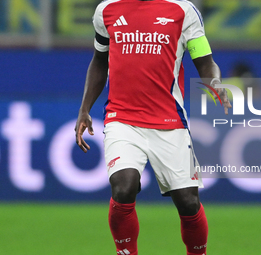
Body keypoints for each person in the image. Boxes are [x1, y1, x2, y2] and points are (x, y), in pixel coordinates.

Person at [75, 0, 231, 254]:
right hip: (122, 119)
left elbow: (205, 59)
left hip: (170, 121)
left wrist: (215, 82)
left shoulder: (184, 11)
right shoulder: (106, 10)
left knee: (188, 202)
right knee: (123, 187)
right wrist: (85, 109)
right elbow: (99, 61)